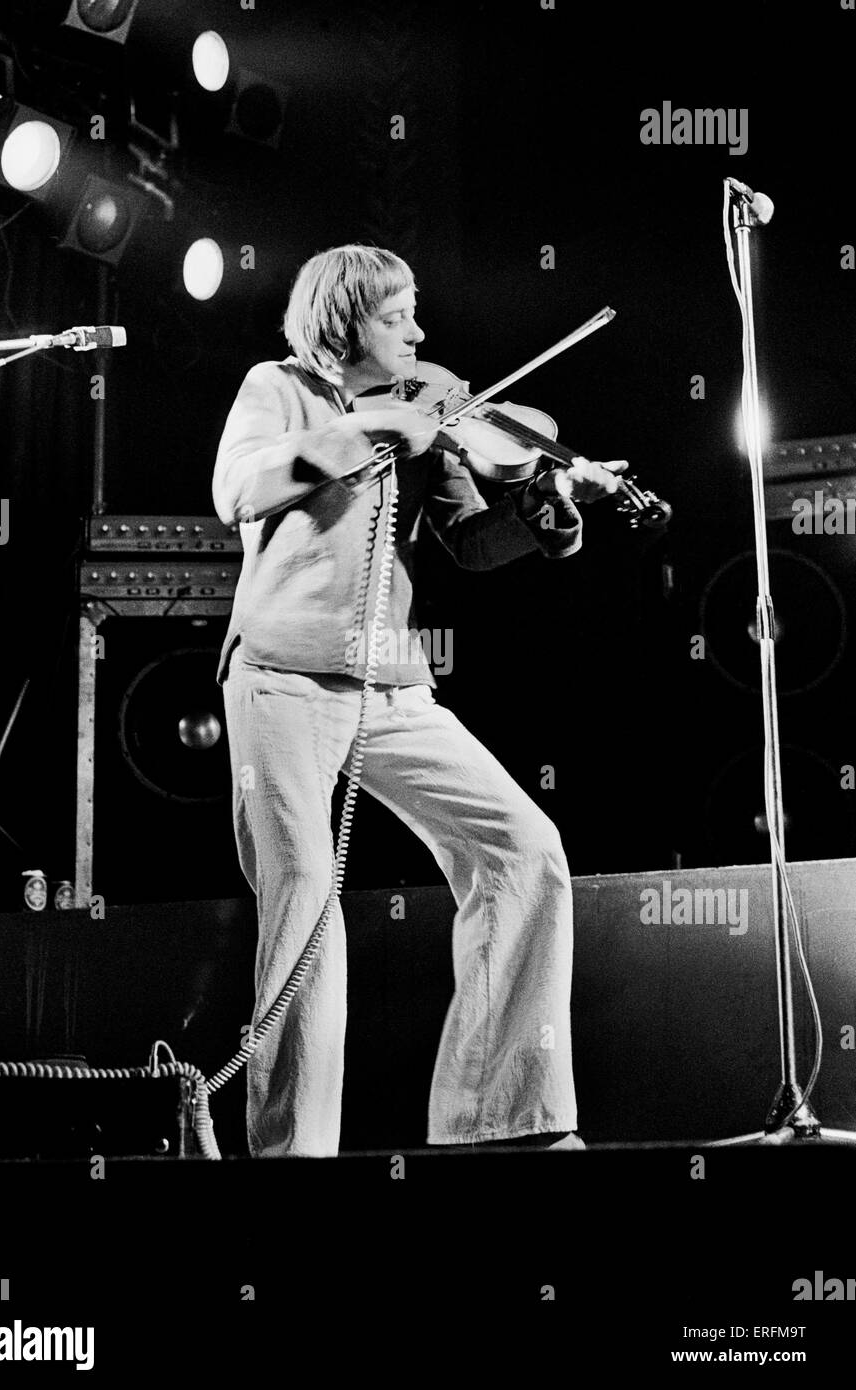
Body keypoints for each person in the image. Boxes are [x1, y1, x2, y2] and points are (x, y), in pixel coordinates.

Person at [213, 244, 626, 1158]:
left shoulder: (436, 414)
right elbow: (238, 488)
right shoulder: (278, 387)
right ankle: (294, 1157)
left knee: (523, 849)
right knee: (307, 904)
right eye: (397, 316)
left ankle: (498, 1119)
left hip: (391, 685)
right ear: (343, 320)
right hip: (281, 675)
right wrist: (373, 433)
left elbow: (474, 543)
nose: (419, 332)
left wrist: (548, 504)